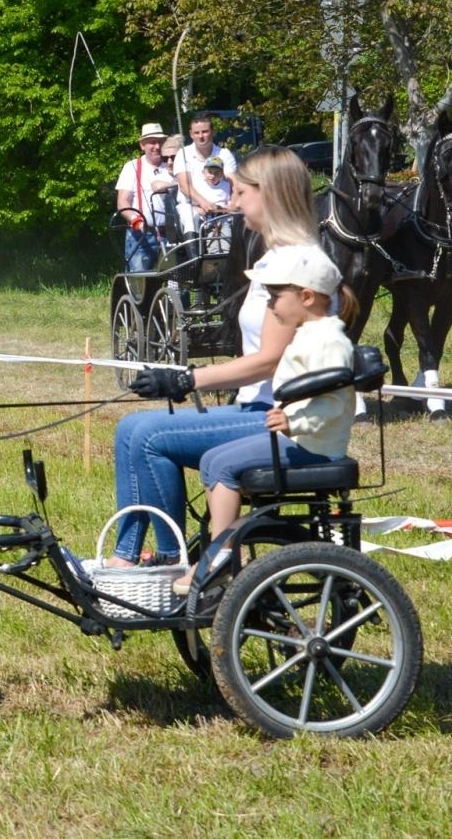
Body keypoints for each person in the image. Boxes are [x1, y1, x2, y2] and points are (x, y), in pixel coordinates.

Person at [106, 147, 357, 568]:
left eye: (241, 193)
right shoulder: (277, 257)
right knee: (131, 428)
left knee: (147, 436)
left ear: (270, 195)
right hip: (254, 404)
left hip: (275, 414)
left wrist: (188, 380)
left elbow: (268, 360)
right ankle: (130, 556)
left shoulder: (295, 264)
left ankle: (171, 558)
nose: (234, 202)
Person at [170, 245, 356, 593]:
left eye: (274, 296)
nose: (269, 305)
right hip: (301, 440)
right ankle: (224, 544)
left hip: (314, 445)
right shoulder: (312, 334)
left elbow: (335, 402)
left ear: (306, 296)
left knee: (221, 466)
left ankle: (221, 557)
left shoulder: (330, 341)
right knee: (213, 460)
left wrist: (292, 422)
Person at [114, 122, 177, 271]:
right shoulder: (132, 167)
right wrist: (136, 220)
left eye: (160, 142)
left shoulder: (171, 165)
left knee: (177, 282)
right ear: (142, 145)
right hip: (141, 235)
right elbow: (122, 202)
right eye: (152, 142)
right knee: (141, 285)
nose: (157, 146)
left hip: (171, 235)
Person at [172, 115, 236, 235]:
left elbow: (234, 183)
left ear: (213, 132)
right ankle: (194, 252)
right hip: (192, 207)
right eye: (197, 133)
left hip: (221, 209)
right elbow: (185, 186)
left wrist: (232, 204)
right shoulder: (183, 154)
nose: (201, 136)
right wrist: (204, 204)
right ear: (191, 134)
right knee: (190, 217)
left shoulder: (224, 154)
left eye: (205, 131)